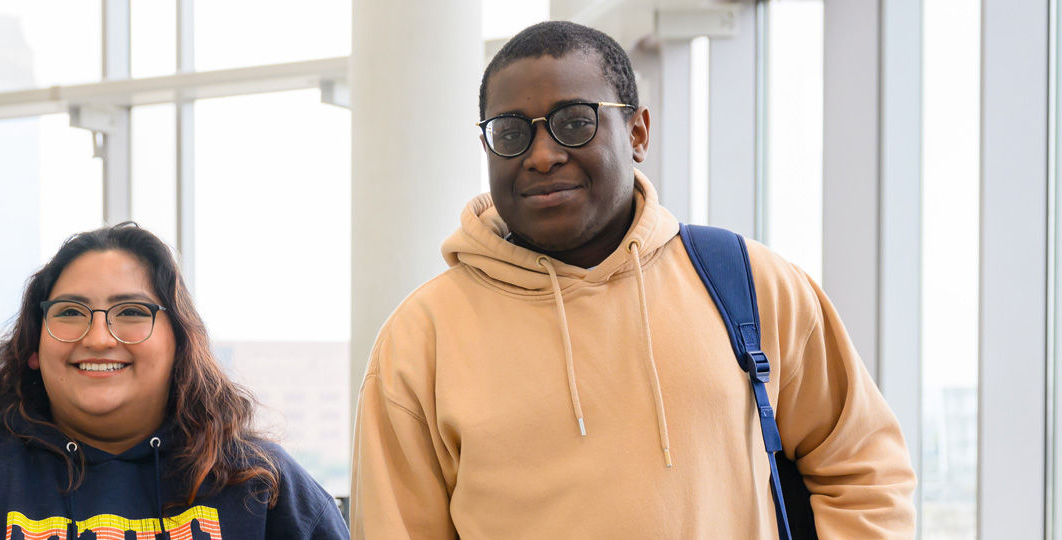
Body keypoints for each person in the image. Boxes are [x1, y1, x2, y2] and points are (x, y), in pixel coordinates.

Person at [349, 21, 915, 539]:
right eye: (511, 132)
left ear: (637, 132)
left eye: (575, 122)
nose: (542, 155)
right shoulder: (420, 340)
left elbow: (864, 467)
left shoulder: (750, 282)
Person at [0, 224, 348, 540]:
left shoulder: (260, 481)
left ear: (179, 341)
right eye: (69, 312)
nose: (99, 337)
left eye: (130, 312)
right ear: (34, 349)